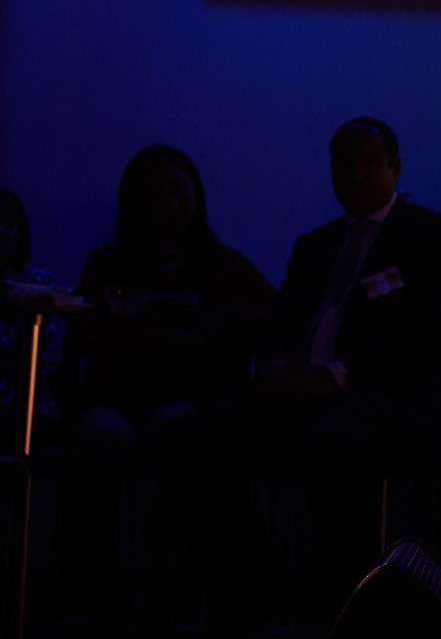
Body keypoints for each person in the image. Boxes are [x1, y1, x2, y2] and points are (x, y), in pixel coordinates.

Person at [157, 116, 441, 622]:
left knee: (334, 439)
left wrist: (338, 375)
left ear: (396, 166)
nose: (356, 175)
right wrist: (279, 367)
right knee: (189, 437)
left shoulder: (434, 236)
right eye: (344, 166)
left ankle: (344, 603)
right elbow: (286, 318)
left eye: (370, 163)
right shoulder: (316, 246)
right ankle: (265, 582)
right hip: (309, 395)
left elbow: (428, 330)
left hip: (390, 400)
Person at [62, 146, 276, 611]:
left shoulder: (224, 263)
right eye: (154, 194)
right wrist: (151, 339)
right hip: (116, 396)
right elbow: (79, 329)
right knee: (99, 434)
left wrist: (225, 317)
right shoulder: (108, 263)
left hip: (192, 397)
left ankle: (172, 587)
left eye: (179, 190)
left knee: (177, 427)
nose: (170, 203)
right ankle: (92, 584)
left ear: (196, 192)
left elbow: (280, 313)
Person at [0, 189, 64, 435]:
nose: (1, 231)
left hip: (30, 403)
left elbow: (51, 359)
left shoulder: (40, 286)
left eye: (8, 223)